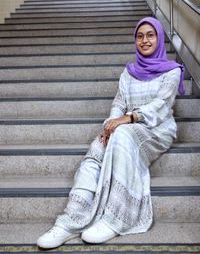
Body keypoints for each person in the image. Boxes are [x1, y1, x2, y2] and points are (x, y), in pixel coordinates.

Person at [37, 17, 185, 249]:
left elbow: (162, 105)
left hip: (157, 129)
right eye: (140, 36)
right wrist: (109, 124)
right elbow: (119, 103)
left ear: (159, 38)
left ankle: (116, 217)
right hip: (127, 126)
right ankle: (71, 220)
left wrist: (128, 118)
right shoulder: (129, 73)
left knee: (123, 135)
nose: (144, 40)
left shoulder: (172, 71)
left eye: (150, 35)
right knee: (98, 145)